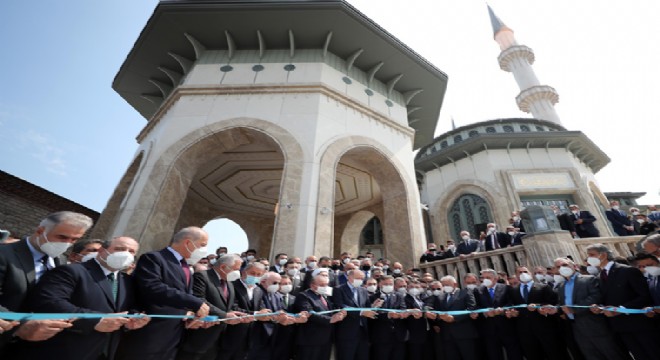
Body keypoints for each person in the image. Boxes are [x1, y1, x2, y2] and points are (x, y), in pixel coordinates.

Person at [22, 237, 150, 360]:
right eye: (119, 248)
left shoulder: (127, 281)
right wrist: (95, 321)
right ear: (101, 250)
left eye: (131, 251)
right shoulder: (71, 271)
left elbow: (126, 308)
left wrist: (133, 319)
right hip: (62, 350)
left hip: (102, 352)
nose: (125, 254)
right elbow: (50, 303)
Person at [0, 211, 93, 355]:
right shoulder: (4, 254)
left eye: (74, 240)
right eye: (62, 237)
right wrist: (21, 327)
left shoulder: (60, 260)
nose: (66, 244)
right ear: (40, 230)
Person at [115, 227, 211, 360]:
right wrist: (194, 302)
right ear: (188, 243)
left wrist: (189, 314)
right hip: (150, 336)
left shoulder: (186, 267)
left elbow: (180, 297)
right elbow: (153, 287)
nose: (204, 251)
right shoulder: (154, 258)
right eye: (203, 245)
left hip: (172, 338)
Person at [586, 243, 660, 360]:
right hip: (620, 326)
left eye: (592, 255)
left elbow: (644, 296)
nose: (589, 258)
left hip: (640, 324)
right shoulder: (600, 276)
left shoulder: (627, 271)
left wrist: (621, 309)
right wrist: (599, 307)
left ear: (603, 255)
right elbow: (606, 298)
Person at [553, 257, 627, 360]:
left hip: (595, 325)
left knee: (613, 354)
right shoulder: (561, 286)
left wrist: (575, 309)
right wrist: (556, 309)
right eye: (558, 267)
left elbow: (595, 297)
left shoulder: (589, 279)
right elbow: (563, 304)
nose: (561, 268)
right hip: (577, 328)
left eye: (564, 265)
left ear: (575, 266)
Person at [176, 254, 247, 360]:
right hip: (199, 339)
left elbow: (231, 306)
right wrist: (225, 315)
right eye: (235, 269)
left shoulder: (229, 283)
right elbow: (199, 300)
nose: (238, 273)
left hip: (217, 342)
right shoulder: (202, 276)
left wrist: (251, 315)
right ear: (223, 267)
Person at [506, 266, 565, 360]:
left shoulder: (543, 287)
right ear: (516, 276)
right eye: (519, 272)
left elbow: (554, 302)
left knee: (555, 353)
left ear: (531, 273)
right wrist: (513, 313)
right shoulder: (513, 291)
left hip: (545, 328)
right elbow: (512, 306)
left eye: (525, 271)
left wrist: (539, 305)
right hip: (525, 331)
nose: (522, 274)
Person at [292, 273, 346, 360]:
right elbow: (309, 313)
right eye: (322, 285)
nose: (325, 287)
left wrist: (340, 313)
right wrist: (330, 319)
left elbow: (330, 311)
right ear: (312, 285)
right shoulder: (303, 296)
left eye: (326, 285)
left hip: (326, 339)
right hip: (310, 340)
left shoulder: (324, 297)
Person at [221, 262, 268, 360]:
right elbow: (232, 307)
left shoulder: (258, 290)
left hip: (248, 337)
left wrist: (266, 312)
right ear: (243, 272)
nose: (255, 276)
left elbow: (260, 307)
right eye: (252, 273)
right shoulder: (232, 286)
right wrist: (255, 314)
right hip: (230, 334)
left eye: (259, 274)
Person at [472, 269, 523, 360]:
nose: (485, 280)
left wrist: (503, 310)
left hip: (506, 327)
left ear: (495, 279)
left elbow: (511, 302)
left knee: (514, 353)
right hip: (489, 329)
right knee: (494, 354)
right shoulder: (478, 290)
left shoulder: (506, 288)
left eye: (488, 277)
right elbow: (476, 306)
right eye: (483, 278)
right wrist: (485, 313)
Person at [247, 271, 298, 360]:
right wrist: (278, 318)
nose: (277, 285)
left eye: (279, 283)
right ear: (263, 281)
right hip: (258, 335)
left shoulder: (276, 294)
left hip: (273, 335)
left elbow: (281, 310)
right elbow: (262, 311)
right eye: (275, 283)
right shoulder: (257, 291)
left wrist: (292, 318)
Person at [426, 275, 478, 360]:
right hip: (447, 335)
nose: (445, 287)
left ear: (455, 284)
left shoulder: (465, 293)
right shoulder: (440, 296)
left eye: (447, 284)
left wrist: (454, 318)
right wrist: (432, 314)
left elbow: (471, 309)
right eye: (443, 285)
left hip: (464, 334)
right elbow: (433, 308)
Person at [333, 269, 376, 360]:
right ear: (349, 277)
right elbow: (340, 305)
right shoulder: (339, 289)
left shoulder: (363, 290)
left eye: (362, 278)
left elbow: (367, 306)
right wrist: (361, 312)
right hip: (347, 332)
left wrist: (374, 307)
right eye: (358, 278)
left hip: (362, 332)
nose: (360, 280)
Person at [370, 275, 407, 360]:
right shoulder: (373, 297)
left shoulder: (399, 296)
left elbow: (402, 308)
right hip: (381, 336)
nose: (388, 286)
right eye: (385, 284)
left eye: (390, 284)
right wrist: (387, 315)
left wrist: (401, 315)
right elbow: (372, 314)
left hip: (398, 336)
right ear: (380, 284)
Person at [404, 280, 432, 360]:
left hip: (425, 332)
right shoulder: (405, 299)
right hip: (414, 333)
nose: (414, 289)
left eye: (417, 287)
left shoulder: (421, 299)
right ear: (407, 288)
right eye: (411, 287)